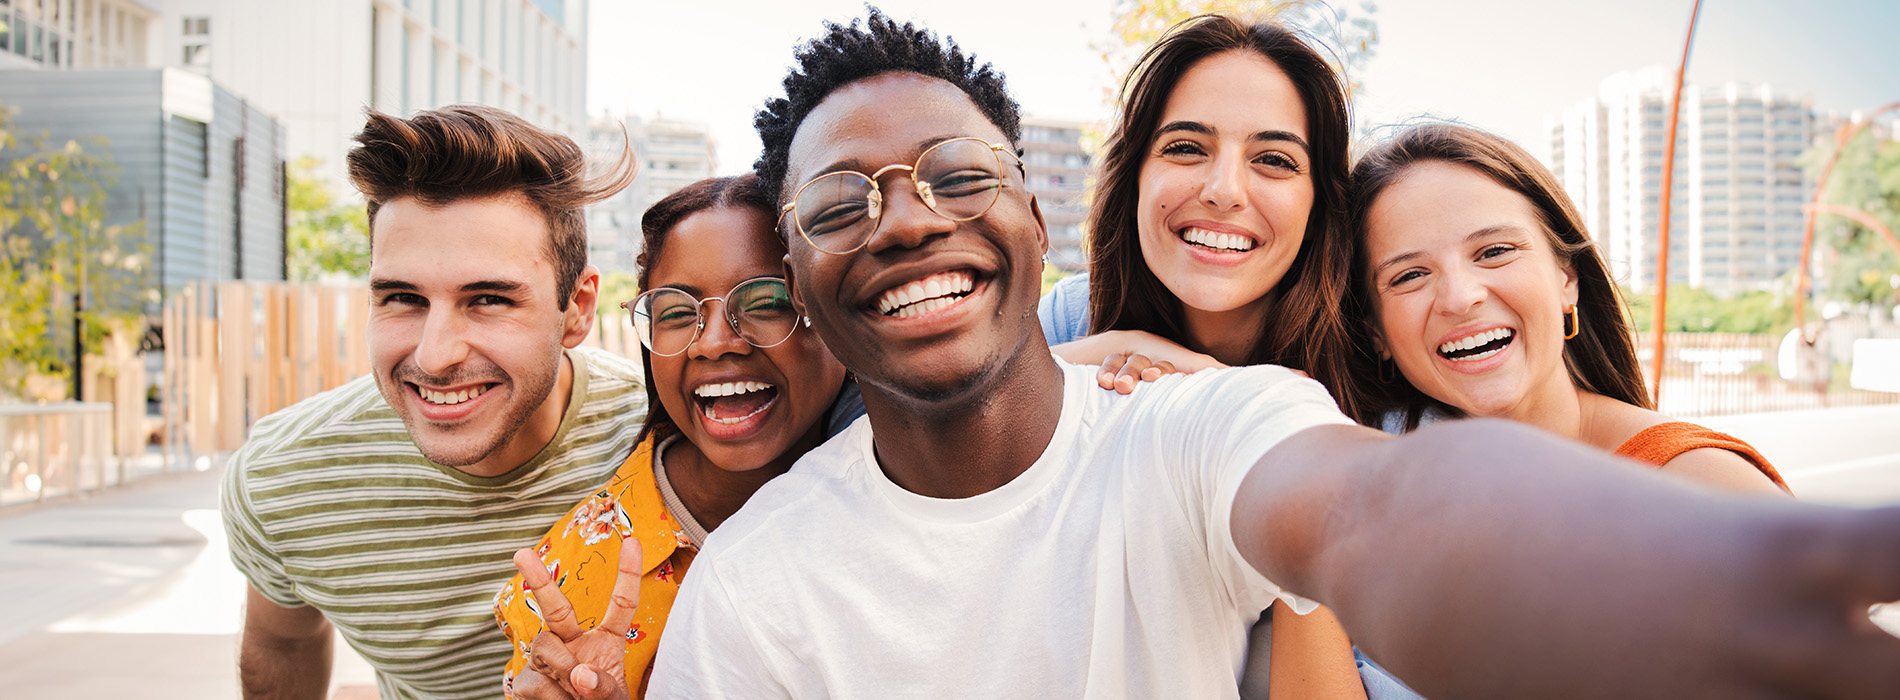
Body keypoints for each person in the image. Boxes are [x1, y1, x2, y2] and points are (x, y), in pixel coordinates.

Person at [635, 11, 1900, 700]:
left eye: (959, 176)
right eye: (841, 203)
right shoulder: (764, 583)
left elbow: (1378, 508)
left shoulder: (1252, 421)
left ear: (1029, 205)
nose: (908, 220)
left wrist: (1673, 561)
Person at [221, 105, 644, 700]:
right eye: (402, 297)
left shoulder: (666, 439)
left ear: (576, 308)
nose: (436, 354)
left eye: (489, 299)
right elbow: (282, 644)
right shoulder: (283, 477)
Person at [1039, 14, 1371, 697]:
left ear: (1320, 203)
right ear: (1135, 173)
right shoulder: (1077, 317)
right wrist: (1117, 349)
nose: (1224, 189)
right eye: (1187, 147)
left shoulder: (1377, 379)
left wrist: (1259, 416)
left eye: (1274, 160)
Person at [494, 174, 850, 699]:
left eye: (766, 302)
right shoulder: (570, 591)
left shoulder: (910, 494)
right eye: (678, 313)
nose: (715, 342)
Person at [1339, 122, 1790, 498]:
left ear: (1567, 279)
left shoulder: (1706, 486)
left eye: (1494, 251)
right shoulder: (1369, 491)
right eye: (1409, 276)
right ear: (1376, 332)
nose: (1459, 298)